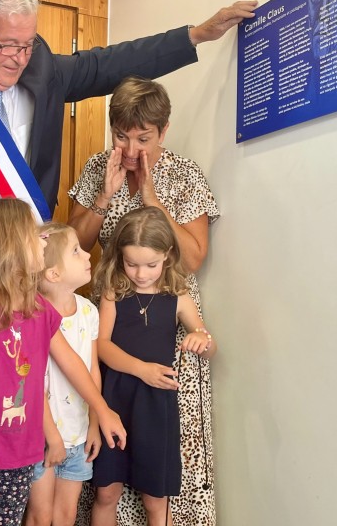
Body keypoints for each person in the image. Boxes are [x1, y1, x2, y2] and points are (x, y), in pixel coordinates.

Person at [0, 0, 256, 524]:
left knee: (10, 430)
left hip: (20, 297)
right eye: (8, 45)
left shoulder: (41, 67)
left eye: (28, 44)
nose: (20, 58)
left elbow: (113, 61)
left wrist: (196, 35)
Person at [67, 77, 220, 525]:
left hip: (166, 329)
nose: (131, 150)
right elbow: (72, 245)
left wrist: (154, 204)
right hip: (112, 319)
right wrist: (104, 196)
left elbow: (192, 259)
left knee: (159, 470)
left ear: (163, 131)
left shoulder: (184, 174)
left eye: (144, 138)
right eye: (122, 136)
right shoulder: (99, 167)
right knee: (108, 467)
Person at [0, 198, 125, 525]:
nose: (44, 240)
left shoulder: (39, 309)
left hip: (22, 454)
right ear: (7, 249)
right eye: (35, 235)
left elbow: (71, 363)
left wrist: (102, 409)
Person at [90, 207, 217, 526]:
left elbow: (208, 343)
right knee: (106, 493)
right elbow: (102, 346)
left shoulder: (178, 297)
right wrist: (141, 369)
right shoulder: (113, 292)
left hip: (156, 406)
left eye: (151, 265)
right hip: (115, 400)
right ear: (120, 256)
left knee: (155, 499)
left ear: (168, 255)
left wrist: (201, 339)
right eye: (131, 264)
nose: (141, 274)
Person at [24, 222, 100, 526]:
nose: (88, 255)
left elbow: (92, 370)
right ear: (53, 274)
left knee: (65, 515)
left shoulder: (88, 311)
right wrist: (52, 437)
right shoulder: (32, 315)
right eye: (76, 251)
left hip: (78, 434)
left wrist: (94, 423)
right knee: (40, 516)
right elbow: (32, 382)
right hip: (42, 436)